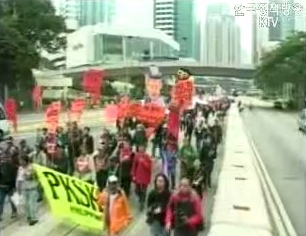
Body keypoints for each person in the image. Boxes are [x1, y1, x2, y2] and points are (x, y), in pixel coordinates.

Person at [16, 155, 39, 226]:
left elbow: (36, 176)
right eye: (20, 161)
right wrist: (18, 189)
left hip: (32, 188)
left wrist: (31, 176)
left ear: (26, 161)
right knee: (26, 205)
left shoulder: (32, 167)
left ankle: (34, 218)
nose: (21, 162)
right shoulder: (20, 169)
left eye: (22, 160)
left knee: (31, 204)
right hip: (24, 189)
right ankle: (29, 216)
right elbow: (19, 179)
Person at [132, 145, 152, 211]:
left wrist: (143, 162)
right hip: (138, 176)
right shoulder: (136, 156)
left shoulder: (147, 157)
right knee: (136, 190)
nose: (141, 149)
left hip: (145, 176)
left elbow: (149, 167)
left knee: (144, 191)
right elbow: (134, 166)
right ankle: (140, 197)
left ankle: (142, 203)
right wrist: (133, 175)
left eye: (142, 148)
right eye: (140, 148)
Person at [0, 147, 18, 221]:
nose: (4, 159)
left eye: (6, 158)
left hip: (10, 187)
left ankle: (14, 212)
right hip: (2, 187)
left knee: (12, 200)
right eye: (3, 158)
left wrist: (13, 186)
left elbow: (15, 177)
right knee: (1, 201)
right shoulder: (1, 166)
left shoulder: (12, 167)